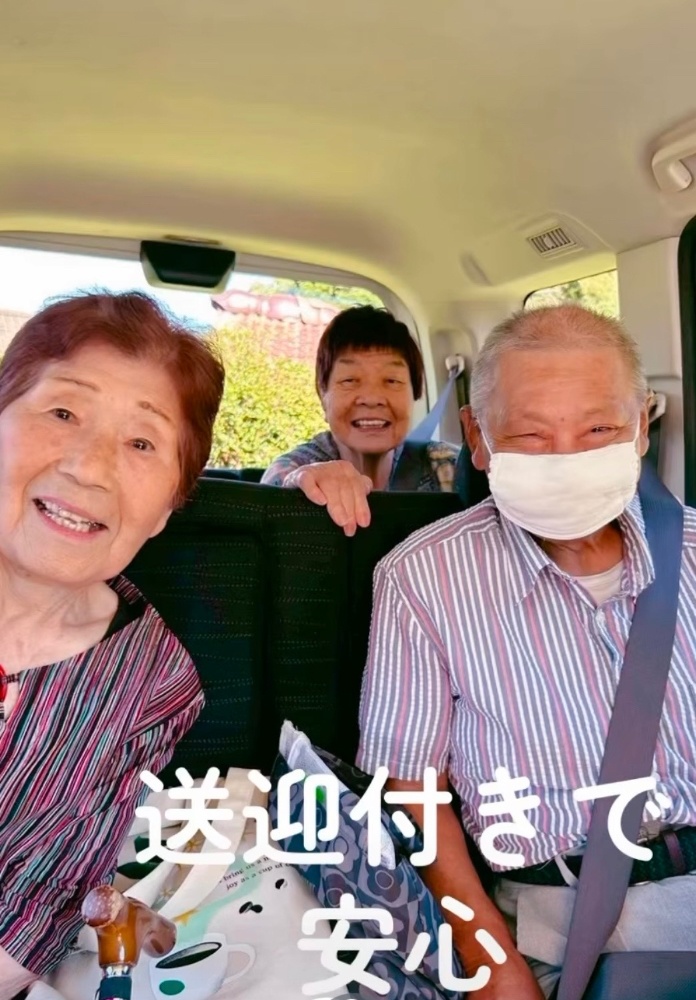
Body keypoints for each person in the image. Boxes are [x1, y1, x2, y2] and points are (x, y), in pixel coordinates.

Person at [357, 304, 696, 999]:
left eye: (599, 430)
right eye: (531, 435)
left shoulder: (691, 549)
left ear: (641, 426)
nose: (567, 459)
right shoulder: (421, 579)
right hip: (562, 921)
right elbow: (413, 790)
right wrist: (492, 963)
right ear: (478, 439)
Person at [0, 291, 225, 999]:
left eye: (142, 443)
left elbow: (38, 902)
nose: (89, 467)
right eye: (63, 412)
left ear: (168, 507)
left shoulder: (154, 682)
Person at [261, 306, 460, 534]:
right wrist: (300, 488)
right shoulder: (297, 470)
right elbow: (271, 494)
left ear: (414, 394)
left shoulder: (446, 466)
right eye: (349, 380)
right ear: (323, 395)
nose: (372, 398)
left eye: (392, 380)